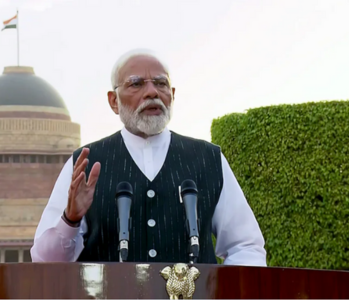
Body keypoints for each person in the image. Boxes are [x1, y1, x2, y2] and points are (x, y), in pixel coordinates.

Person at [31, 49, 267, 266]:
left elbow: (246, 246)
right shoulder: (84, 164)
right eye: (136, 84)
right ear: (114, 101)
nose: (152, 92)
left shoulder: (208, 159)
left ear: (172, 95)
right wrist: (70, 220)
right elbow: (45, 262)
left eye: (161, 83)